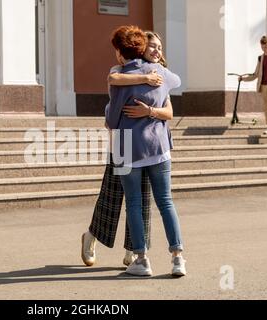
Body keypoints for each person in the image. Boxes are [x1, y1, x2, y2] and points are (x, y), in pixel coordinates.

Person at [81, 31, 172, 268]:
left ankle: (134, 249)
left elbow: (169, 113)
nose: (156, 51)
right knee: (111, 196)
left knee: (142, 199)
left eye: (159, 47)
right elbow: (113, 79)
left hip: (149, 145)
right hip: (122, 144)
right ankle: (92, 236)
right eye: (151, 46)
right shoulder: (123, 70)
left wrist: (149, 112)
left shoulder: (161, 76)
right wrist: (144, 79)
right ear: (140, 49)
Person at [106, 25, 186, 277]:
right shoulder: (159, 72)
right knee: (165, 202)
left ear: (120, 51)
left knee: (134, 204)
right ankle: (178, 258)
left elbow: (112, 120)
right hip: (158, 146)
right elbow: (176, 82)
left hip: (127, 147)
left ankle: (141, 260)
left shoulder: (119, 77)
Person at [240, 35, 267, 140]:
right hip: (263, 86)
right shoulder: (261, 58)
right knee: (266, 108)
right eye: (262, 47)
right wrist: (243, 79)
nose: (264, 49)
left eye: (266, 47)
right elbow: (255, 74)